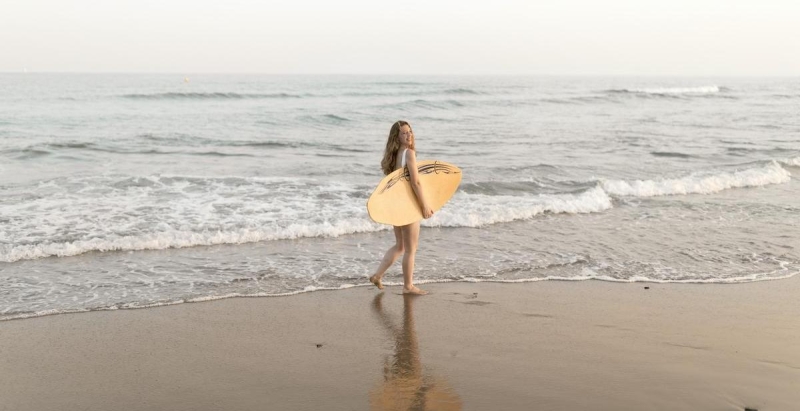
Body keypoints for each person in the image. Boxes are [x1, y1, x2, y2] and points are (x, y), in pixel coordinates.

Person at [369, 120, 434, 295]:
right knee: (411, 249)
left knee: (400, 246)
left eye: (410, 132)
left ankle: (377, 275)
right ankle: (408, 286)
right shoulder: (409, 153)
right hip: (407, 206)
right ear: (397, 137)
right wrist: (425, 205)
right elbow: (415, 182)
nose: (409, 135)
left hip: (396, 205)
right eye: (404, 133)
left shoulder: (394, 155)